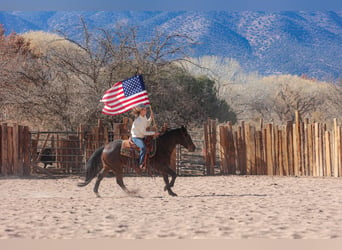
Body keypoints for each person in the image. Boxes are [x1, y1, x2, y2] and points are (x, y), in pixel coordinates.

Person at [130, 104, 158, 170]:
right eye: (144, 110)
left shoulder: (144, 117)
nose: (146, 111)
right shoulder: (138, 121)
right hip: (136, 137)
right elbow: (144, 132)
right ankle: (140, 163)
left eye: (145, 110)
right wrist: (154, 133)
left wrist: (151, 118)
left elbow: (147, 124)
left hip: (141, 137)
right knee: (143, 148)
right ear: (141, 111)